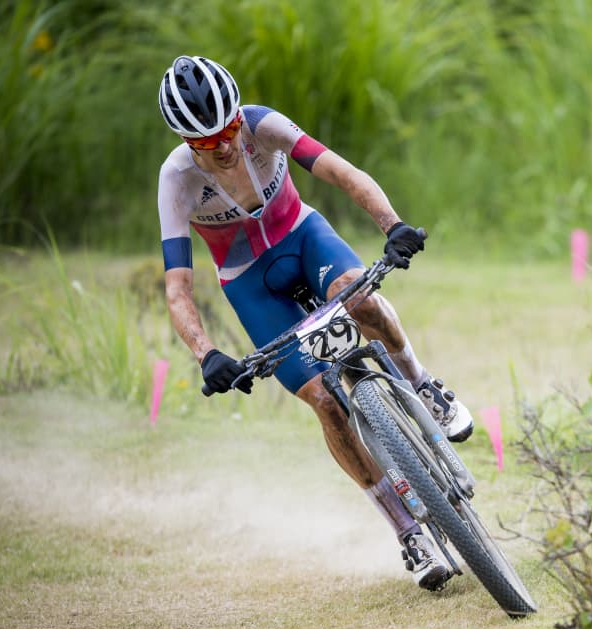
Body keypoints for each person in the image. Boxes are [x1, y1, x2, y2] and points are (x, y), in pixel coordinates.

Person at [156, 55, 472, 591]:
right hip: (250, 281)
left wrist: (391, 225)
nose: (225, 144)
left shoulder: (263, 125)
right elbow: (178, 287)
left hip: (303, 238)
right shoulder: (177, 179)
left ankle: (423, 384)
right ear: (190, 144)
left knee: (361, 299)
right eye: (208, 141)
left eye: (229, 127)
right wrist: (206, 353)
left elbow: (339, 172)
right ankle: (405, 531)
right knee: (325, 402)